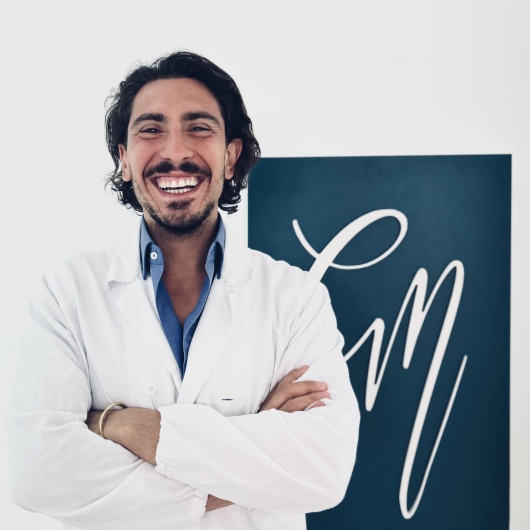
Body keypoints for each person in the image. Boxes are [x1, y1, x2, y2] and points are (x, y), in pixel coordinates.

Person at [7, 51, 360, 530]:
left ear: (230, 156)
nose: (175, 150)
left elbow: (324, 469)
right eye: (151, 129)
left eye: (199, 127)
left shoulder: (296, 297)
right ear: (124, 159)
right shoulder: (67, 293)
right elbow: (38, 474)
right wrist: (253, 453)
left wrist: (121, 425)